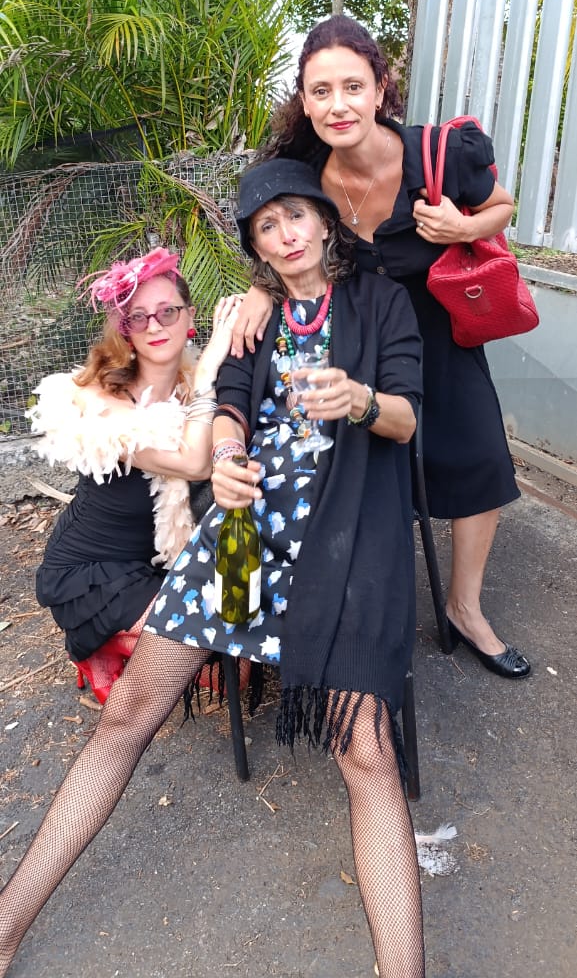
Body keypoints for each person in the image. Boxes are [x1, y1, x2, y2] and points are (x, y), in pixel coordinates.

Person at [0, 160, 425, 978]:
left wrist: (360, 401)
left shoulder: (381, 304)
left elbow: (407, 418)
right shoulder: (253, 320)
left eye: (295, 215)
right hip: (243, 538)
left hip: (344, 539)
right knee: (129, 713)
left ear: (324, 223)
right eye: (266, 226)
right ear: (257, 249)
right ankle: (6, 924)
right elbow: (227, 407)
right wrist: (227, 459)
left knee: (365, 754)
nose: (285, 234)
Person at [232, 14, 530, 679]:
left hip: (438, 329)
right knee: (364, 464)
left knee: (478, 455)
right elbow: (273, 234)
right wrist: (259, 289)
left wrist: (462, 225)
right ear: (305, 100)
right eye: (321, 91)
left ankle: (464, 607)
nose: (337, 104)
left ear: (379, 87)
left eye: (352, 86)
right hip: (357, 337)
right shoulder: (304, 171)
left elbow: (502, 205)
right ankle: (337, 595)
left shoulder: (438, 154)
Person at [28, 246, 240, 703]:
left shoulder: (187, 388)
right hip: (89, 573)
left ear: (190, 316)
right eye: (138, 317)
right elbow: (193, 462)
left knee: (238, 668)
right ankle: (98, 643)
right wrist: (208, 372)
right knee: (205, 654)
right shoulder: (101, 402)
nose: (155, 326)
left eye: (168, 312)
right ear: (124, 329)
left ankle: (128, 640)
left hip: (153, 565)